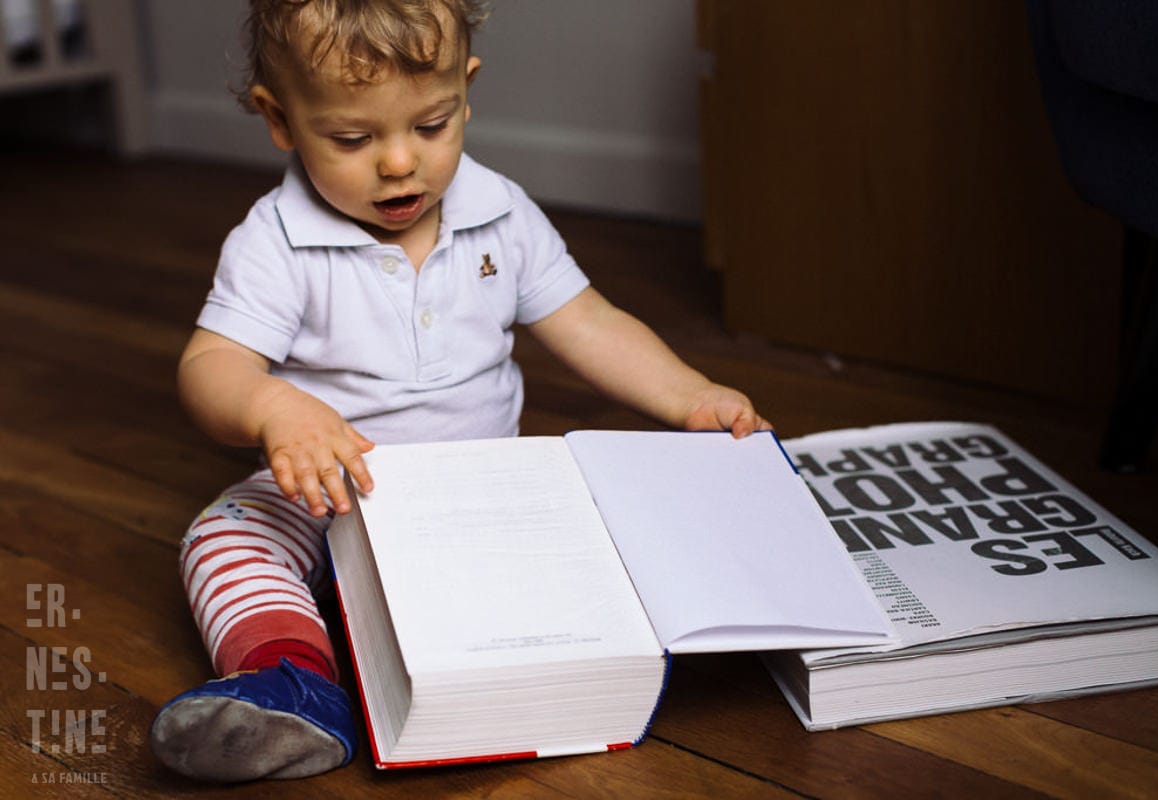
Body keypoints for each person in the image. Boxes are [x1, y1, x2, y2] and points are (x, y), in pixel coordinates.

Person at [149, 0, 771, 783]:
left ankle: (588, 656)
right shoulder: (275, 240)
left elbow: (589, 322)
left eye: (432, 125)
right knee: (225, 534)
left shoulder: (502, 213)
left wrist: (693, 396)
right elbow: (210, 368)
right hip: (331, 489)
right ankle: (295, 679)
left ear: (466, 92)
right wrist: (274, 407)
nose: (400, 162)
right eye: (352, 139)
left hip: (485, 498)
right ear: (280, 121)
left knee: (602, 526)